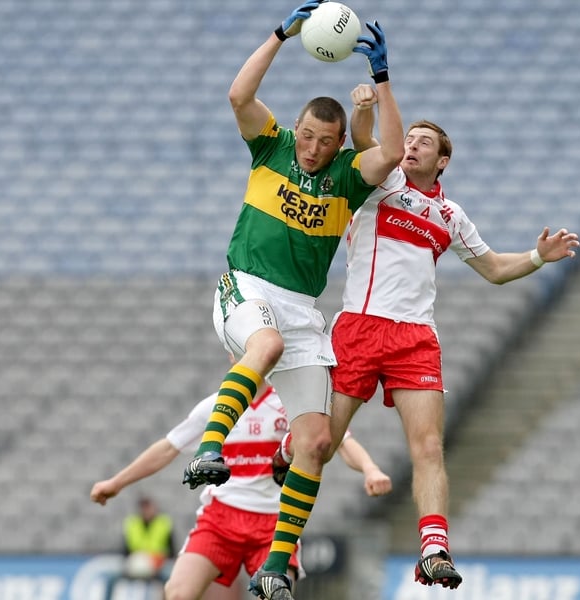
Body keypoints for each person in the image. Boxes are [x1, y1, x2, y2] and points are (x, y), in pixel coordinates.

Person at [179, 2, 404, 599]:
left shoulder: (348, 177)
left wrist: (382, 83)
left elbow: (391, 152)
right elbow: (237, 95)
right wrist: (281, 33)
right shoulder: (270, 146)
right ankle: (210, 451)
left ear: (336, 145)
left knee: (317, 442)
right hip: (246, 287)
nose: (310, 148)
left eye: (323, 141)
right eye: (306, 135)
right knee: (266, 343)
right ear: (295, 130)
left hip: (304, 310)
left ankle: (276, 567)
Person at [324, 84, 580, 590]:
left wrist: (536, 258)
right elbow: (363, 140)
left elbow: (492, 268)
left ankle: (434, 548)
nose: (413, 144)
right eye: (410, 138)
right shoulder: (383, 182)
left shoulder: (450, 216)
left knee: (428, 447)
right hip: (359, 325)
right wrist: (364, 108)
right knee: (325, 442)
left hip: (415, 337)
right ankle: (292, 450)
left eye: (424, 141)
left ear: (442, 161)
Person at [91, 376, 392, 600]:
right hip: (220, 520)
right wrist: (116, 483)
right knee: (177, 593)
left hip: (275, 525)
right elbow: (168, 448)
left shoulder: (291, 406)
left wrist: (370, 469)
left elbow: (340, 441)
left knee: (276, 596)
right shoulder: (216, 406)